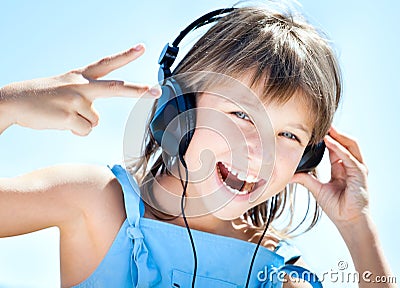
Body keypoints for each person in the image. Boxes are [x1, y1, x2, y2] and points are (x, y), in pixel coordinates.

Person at [0, 5, 395, 288]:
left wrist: (355, 226)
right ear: (180, 108)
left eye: (289, 136)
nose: (258, 152)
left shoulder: (280, 273)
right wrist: (7, 105)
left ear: (308, 158)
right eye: (241, 114)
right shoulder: (95, 203)